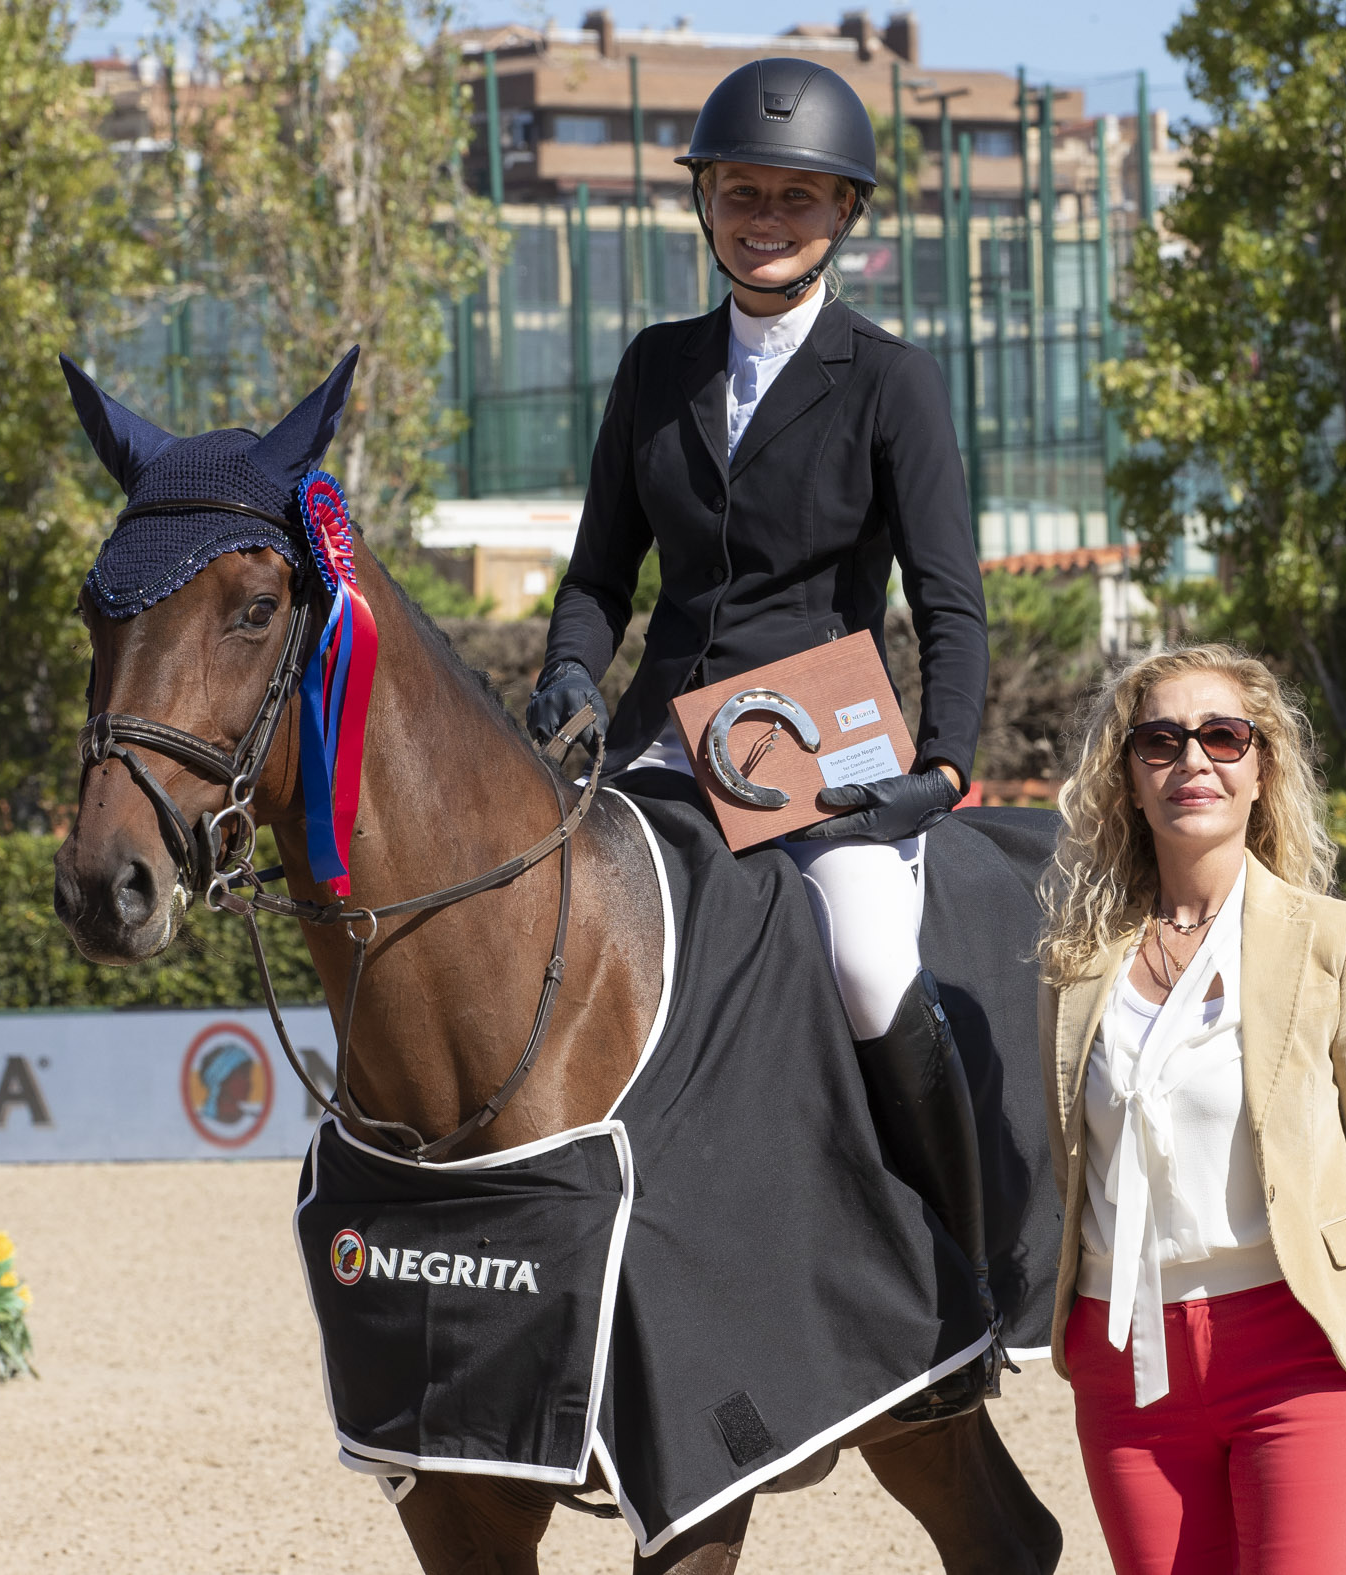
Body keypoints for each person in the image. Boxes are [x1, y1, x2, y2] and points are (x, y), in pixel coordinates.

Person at [524, 56, 996, 1420]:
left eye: (794, 196)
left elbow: (949, 603)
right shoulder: (655, 367)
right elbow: (599, 572)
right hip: (666, 736)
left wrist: (941, 766)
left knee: (859, 958)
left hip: (825, 734)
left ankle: (955, 1277)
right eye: (742, 193)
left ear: (841, 213)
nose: (765, 216)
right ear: (707, 207)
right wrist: (567, 671)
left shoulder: (889, 382)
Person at [1034, 644, 1346, 1574]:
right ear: (1128, 778)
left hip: (1300, 1348)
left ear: (1263, 768)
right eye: (1161, 741)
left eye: (1222, 736)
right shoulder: (1076, 963)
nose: (1192, 763)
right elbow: (1074, 1161)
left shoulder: (1341, 942)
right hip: (1125, 1357)